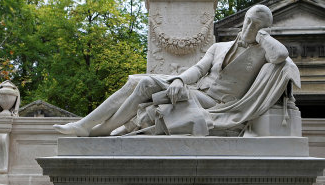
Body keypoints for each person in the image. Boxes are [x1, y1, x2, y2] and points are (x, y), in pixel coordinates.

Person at [54, 5, 290, 137]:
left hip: (218, 104)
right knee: (136, 82)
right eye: (248, 21)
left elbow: (280, 56)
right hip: (197, 90)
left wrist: (262, 36)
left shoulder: (263, 52)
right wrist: (178, 79)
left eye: (256, 25)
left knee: (147, 84)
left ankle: (96, 131)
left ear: (265, 30)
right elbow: (197, 70)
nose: (249, 27)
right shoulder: (220, 46)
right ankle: (87, 126)